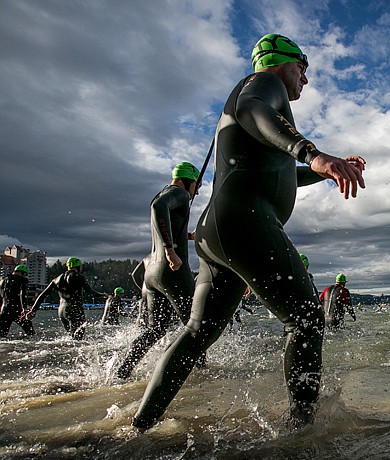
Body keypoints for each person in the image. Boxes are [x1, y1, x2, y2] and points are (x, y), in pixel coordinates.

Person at [130, 33, 365, 431]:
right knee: (306, 317)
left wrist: (321, 172)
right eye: (302, 67)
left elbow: (279, 170)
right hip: (244, 222)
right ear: (281, 61)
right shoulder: (263, 86)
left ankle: (141, 424)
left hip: (219, 230)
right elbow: (252, 109)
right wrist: (315, 153)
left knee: (197, 331)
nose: (305, 79)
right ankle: (302, 430)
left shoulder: (266, 111)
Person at [116, 162, 201, 380]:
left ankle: (122, 371)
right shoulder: (178, 193)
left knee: (156, 329)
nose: (196, 191)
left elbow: (162, 214)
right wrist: (171, 250)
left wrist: (184, 236)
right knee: (196, 328)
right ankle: (202, 373)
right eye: (196, 186)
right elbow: (159, 208)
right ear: (186, 180)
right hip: (171, 271)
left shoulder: (162, 192)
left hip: (151, 274)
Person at [26, 257, 107, 340]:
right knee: (78, 339)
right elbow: (90, 292)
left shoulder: (56, 280)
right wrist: (103, 295)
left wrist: (33, 310)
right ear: (78, 267)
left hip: (61, 311)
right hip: (74, 309)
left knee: (71, 336)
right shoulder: (78, 277)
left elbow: (42, 295)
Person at [0, 264, 35, 337]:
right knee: (31, 333)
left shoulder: (3, 281)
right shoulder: (23, 280)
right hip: (17, 309)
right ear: (22, 273)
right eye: (25, 274)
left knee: (2, 335)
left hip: (4, 310)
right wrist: (24, 308)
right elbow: (22, 294)